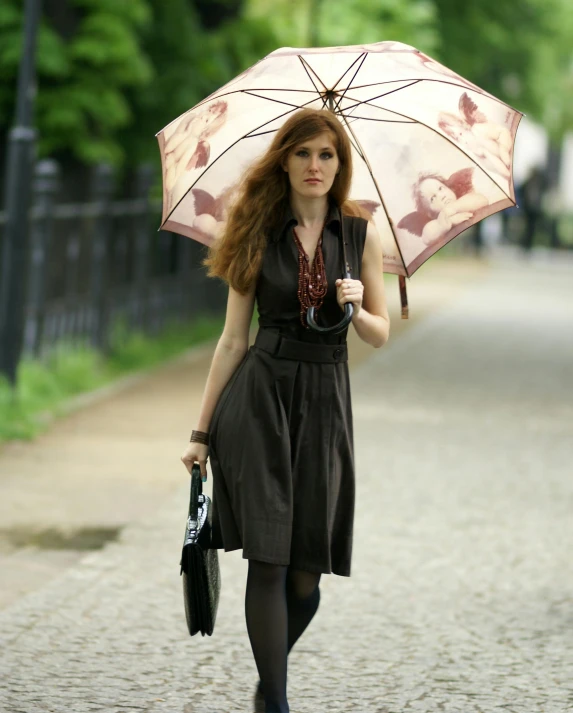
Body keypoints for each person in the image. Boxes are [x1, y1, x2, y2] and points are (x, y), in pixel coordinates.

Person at [180, 108, 390, 713]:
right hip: (260, 398)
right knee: (268, 562)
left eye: (326, 155)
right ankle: (275, 700)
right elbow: (231, 340)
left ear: (339, 164)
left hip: (325, 402)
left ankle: (269, 678)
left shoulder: (360, 235)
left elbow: (378, 334)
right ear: (285, 161)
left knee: (306, 577)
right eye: (303, 154)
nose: (315, 166)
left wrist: (357, 304)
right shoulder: (255, 230)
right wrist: (200, 432)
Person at [398, 168, 489, 247]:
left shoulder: (465, 200)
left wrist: (454, 208)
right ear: (430, 213)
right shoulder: (435, 222)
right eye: (433, 198)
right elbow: (426, 237)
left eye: (441, 189)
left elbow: (482, 200)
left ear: (450, 188)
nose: (441, 196)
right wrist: (443, 224)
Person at [438, 93, 512, 181]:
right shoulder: (471, 134)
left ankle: (505, 160)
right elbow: (479, 151)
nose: (460, 136)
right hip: (488, 156)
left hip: (492, 150)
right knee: (490, 146)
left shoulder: (472, 129)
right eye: (457, 136)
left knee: (498, 136)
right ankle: (506, 168)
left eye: (460, 133)